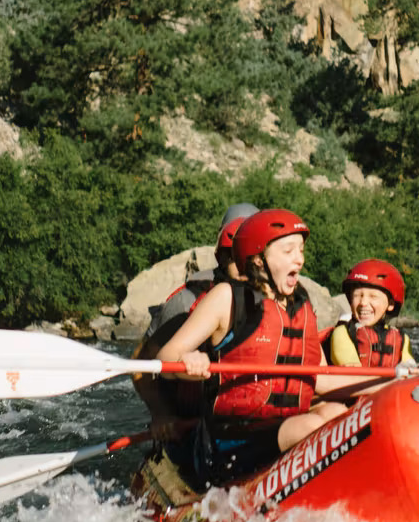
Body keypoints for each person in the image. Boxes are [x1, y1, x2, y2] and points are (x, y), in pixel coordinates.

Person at [145, 209, 390, 496]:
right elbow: (166, 357)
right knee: (313, 425)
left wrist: (388, 382)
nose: (300, 259)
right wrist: (190, 361)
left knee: (338, 412)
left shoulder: (302, 306)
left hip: (284, 426)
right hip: (228, 444)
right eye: (288, 251)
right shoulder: (226, 297)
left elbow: (321, 380)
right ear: (259, 260)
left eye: (300, 250)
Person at [132, 203, 260, 439]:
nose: (243, 264)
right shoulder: (186, 302)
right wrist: (161, 414)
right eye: (234, 255)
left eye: (250, 255)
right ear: (221, 257)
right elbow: (141, 363)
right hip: (188, 421)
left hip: (246, 416)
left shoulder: (277, 301)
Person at [328, 259, 415, 368]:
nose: (363, 303)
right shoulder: (343, 333)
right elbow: (352, 374)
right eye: (357, 295)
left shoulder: (402, 339)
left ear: (391, 304)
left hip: (391, 384)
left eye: (373, 296)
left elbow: (411, 373)